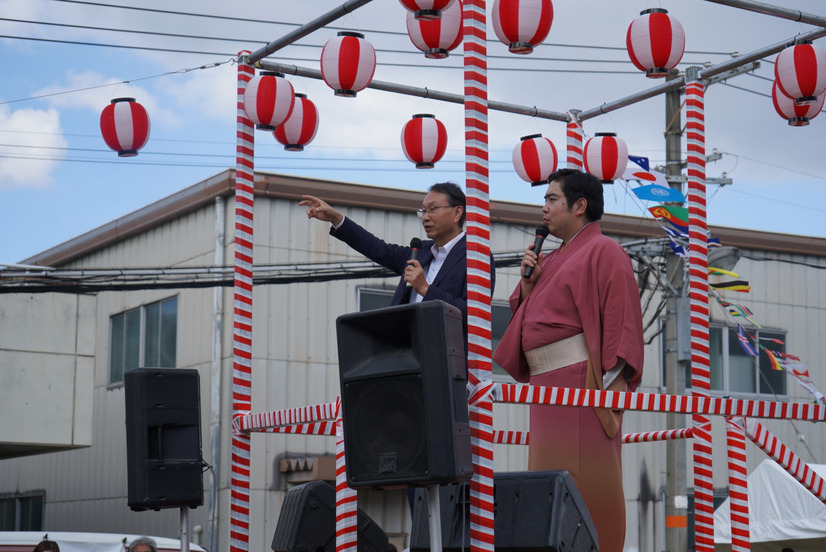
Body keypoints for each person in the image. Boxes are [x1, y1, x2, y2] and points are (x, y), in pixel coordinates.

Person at [493, 168, 644, 552]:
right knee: (546, 487)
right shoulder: (555, 257)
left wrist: (608, 396)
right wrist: (528, 284)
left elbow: (620, 325)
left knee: (588, 487)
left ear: (580, 206)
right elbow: (529, 322)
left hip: (582, 386)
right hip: (546, 387)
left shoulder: (605, 250)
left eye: (551, 199)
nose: (543, 208)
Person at [299, 182, 494, 339]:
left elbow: (476, 316)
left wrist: (425, 289)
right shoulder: (421, 251)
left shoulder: (476, 257)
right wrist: (336, 218)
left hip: (448, 361)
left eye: (432, 209)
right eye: (423, 211)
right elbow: (378, 249)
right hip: (404, 353)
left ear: (457, 212)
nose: (425, 217)